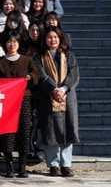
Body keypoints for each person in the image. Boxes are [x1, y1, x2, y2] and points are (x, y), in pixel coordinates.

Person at [34, 27, 80, 177]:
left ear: (60, 39)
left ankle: (66, 165)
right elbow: (41, 76)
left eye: (55, 37)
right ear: (44, 39)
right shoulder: (39, 57)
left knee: (68, 130)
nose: (52, 40)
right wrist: (54, 90)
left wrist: (63, 88)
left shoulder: (68, 55)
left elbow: (74, 73)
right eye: (49, 37)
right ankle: (53, 165)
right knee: (50, 131)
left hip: (67, 97)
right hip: (48, 97)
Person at [0, 31, 40, 178]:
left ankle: (22, 167)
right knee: (7, 133)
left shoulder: (26, 60)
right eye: (9, 41)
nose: (12, 44)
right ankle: (9, 167)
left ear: (19, 44)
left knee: (24, 131)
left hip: (23, 99)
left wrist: (30, 77)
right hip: (6, 102)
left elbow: (37, 75)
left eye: (14, 41)